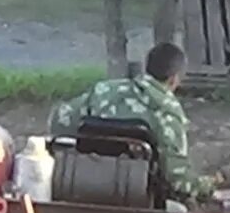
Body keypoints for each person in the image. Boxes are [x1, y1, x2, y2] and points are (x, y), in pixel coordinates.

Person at [49, 42, 213, 202]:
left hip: (84, 188)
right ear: (174, 79)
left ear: (147, 68)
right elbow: (177, 179)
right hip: (139, 196)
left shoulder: (105, 90)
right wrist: (209, 184)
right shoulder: (168, 112)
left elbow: (59, 122)